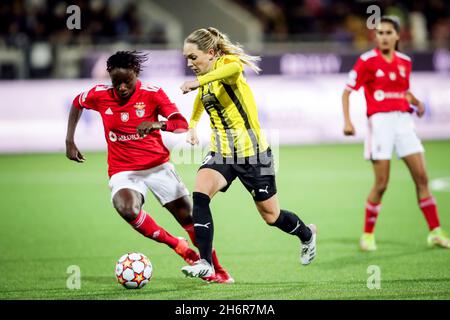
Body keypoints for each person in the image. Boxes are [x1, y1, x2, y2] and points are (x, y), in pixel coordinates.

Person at [66, 51, 233, 283]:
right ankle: (177, 246)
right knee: (127, 209)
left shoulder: (152, 94)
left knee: (190, 219)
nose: (122, 87)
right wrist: (70, 140)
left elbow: (180, 124)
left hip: (158, 166)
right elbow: (77, 102)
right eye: (116, 82)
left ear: (136, 73)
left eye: (127, 81)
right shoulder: (99, 95)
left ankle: (217, 269)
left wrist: (157, 124)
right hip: (123, 170)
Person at [178, 27, 317, 280]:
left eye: (193, 57)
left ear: (210, 53)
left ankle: (307, 234)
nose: (189, 63)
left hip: (253, 155)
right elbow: (201, 98)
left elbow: (233, 69)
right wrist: (192, 125)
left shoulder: (226, 65)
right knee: (199, 195)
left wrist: (198, 81)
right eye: (186, 58)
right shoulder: (206, 80)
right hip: (222, 154)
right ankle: (206, 263)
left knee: (272, 217)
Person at [342, 16, 450, 251]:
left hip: (404, 122)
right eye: (379, 33)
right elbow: (347, 92)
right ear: (375, 36)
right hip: (379, 124)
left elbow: (404, 91)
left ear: (398, 36)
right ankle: (367, 235)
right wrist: (348, 122)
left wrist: (417, 102)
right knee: (382, 183)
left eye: (388, 32)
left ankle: (435, 232)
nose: (383, 37)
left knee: (421, 178)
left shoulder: (404, 61)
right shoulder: (367, 61)